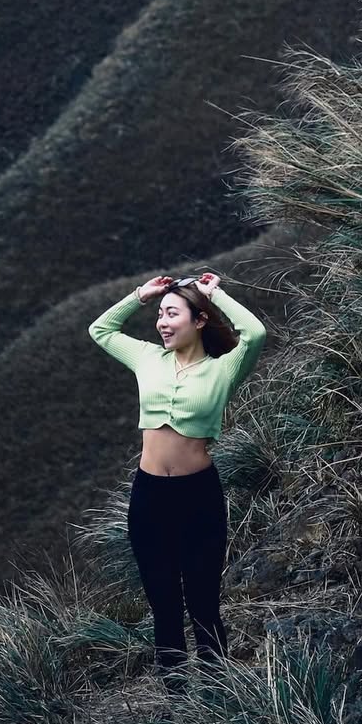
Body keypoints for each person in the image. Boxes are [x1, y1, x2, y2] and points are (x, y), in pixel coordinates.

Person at [88, 270, 267, 678]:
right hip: (149, 496)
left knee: (204, 603)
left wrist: (213, 294)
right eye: (161, 314)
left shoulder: (223, 370)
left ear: (199, 320)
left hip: (198, 496)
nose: (162, 323)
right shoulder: (147, 358)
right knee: (163, 604)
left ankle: (218, 692)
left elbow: (255, 333)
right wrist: (141, 295)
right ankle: (176, 697)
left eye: (172, 314)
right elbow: (101, 330)